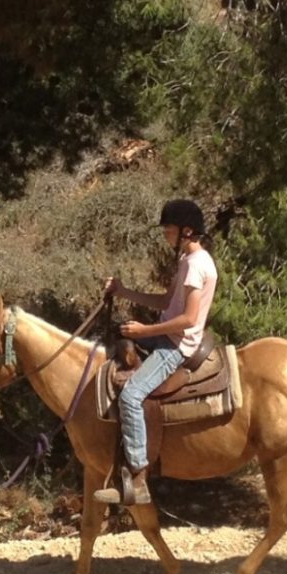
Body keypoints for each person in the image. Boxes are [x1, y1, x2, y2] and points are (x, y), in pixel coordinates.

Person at [94, 198, 218, 510]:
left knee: (131, 395)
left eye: (169, 229)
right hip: (166, 335)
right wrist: (123, 292)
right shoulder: (188, 263)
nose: (165, 233)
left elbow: (189, 319)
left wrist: (144, 332)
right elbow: (166, 303)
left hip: (177, 345)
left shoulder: (196, 266)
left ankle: (138, 477)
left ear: (187, 231)